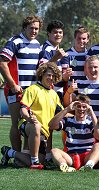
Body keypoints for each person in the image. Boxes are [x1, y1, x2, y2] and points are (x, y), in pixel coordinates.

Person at [1, 62, 63, 169]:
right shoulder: (32, 89)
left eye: (53, 76)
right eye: (48, 75)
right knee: (36, 125)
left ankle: (9, 152)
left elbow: (60, 113)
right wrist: (29, 118)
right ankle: (35, 162)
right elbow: (23, 110)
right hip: (28, 125)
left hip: (43, 133)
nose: (51, 77)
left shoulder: (54, 95)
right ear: (42, 74)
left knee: (23, 163)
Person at [0, 16, 42, 152]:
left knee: (29, 122)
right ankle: (15, 154)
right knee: (15, 123)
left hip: (31, 92)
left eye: (37, 28)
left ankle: (24, 154)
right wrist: (12, 84)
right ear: (24, 27)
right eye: (31, 28)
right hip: (16, 90)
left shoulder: (37, 44)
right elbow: (2, 62)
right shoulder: (15, 41)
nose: (34, 31)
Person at [49, 94, 99, 172]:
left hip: (87, 155)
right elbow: (51, 125)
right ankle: (64, 166)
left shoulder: (91, 121)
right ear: (74, 107)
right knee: (54, 150)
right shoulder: (68, 120)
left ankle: (89, 165)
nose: (81, 109)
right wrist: (67, 109)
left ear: (88, 108)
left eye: (84, 107)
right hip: (71, 156)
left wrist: (91, 112)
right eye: (78, 106)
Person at [38, 20, 68, 100]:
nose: (58, 35)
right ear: (48, 33)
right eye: (55, 32)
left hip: (58, 93)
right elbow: (41, 70)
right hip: (46, 94)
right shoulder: (46, 49)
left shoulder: (59, 50)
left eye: (60, 32)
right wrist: (55, 58)